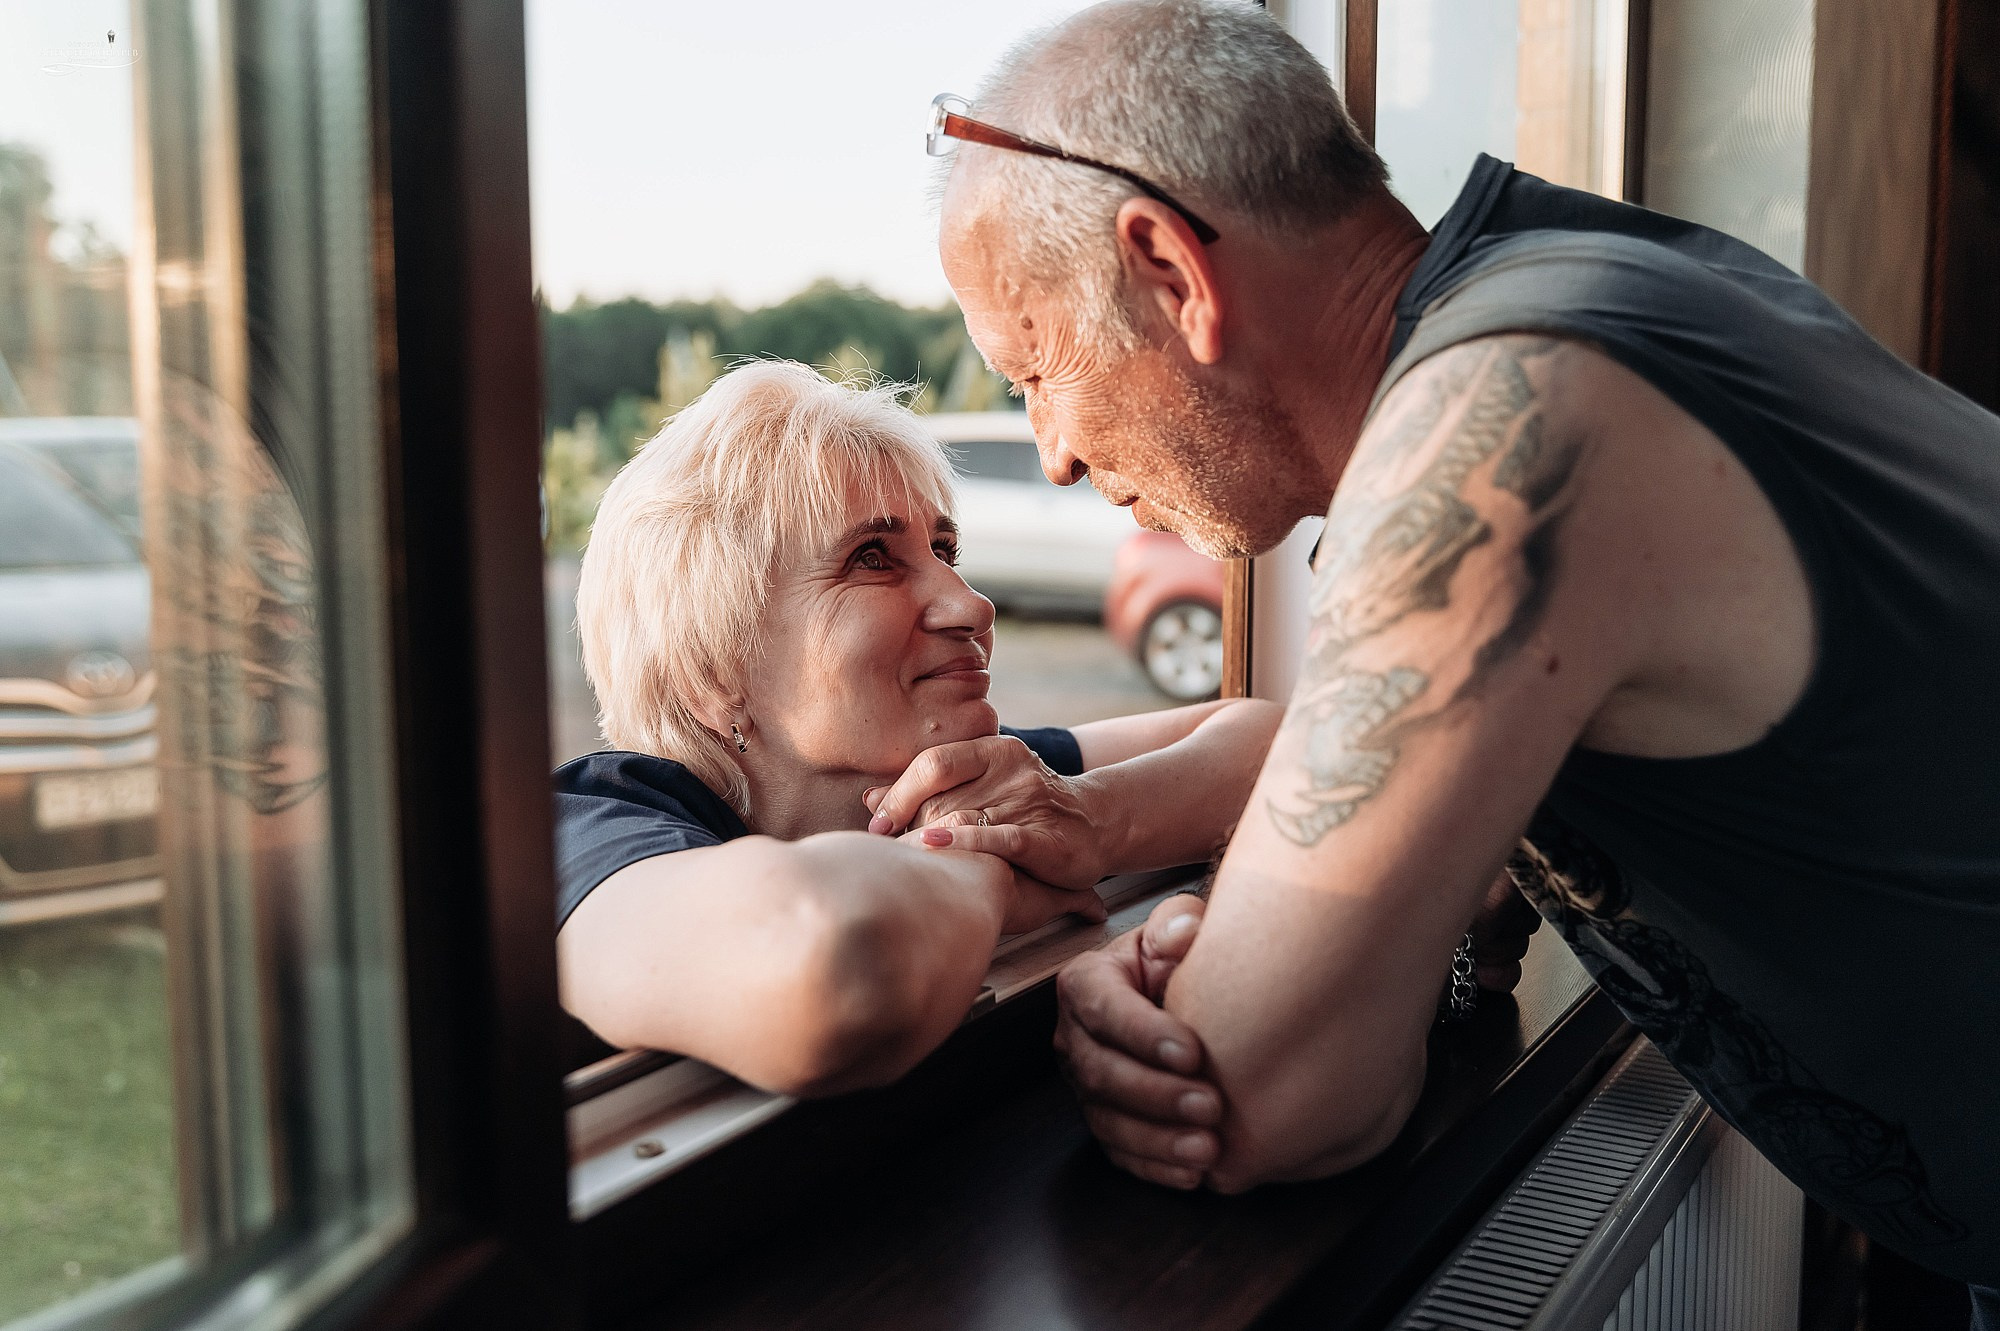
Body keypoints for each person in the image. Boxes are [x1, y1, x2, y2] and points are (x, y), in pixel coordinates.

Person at [924, 0, 2000, 1304]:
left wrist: (1158, 985)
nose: (1050, 450)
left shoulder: (1501, 412)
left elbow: (1264, 1090)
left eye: (1034, 368)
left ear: (1171, 271)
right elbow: (1456, 871)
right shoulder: (1578, 277)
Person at [553, 358, 1281, 1098]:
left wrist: (1090, 819)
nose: (971, 604)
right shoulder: (585, 828)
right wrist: (982, 856)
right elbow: (836, 965)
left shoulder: (953, 778)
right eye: (872, 559)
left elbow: (1275, 744)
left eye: (945, 551)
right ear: (712, 674)